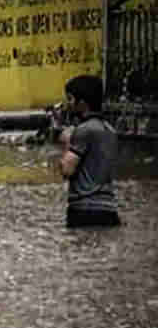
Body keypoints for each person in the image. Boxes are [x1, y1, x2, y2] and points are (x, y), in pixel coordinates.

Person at [58, 74, 120, 228]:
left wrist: (67, 142)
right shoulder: (110, 131)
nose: (68, 104)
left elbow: (67, 170)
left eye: (71, 99)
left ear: (83, 103)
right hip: (109, 210)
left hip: (84, 211)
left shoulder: (84, 130)